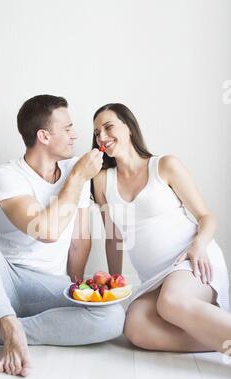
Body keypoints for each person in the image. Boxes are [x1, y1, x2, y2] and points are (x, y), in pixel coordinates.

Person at [0, 95, 126, 377]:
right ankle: (5, 320)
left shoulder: (74, 169)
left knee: (113, 316)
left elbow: (79, 241)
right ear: (43, 135)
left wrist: (76, 289)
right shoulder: (7, 176)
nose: (74, 135)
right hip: (0, 283)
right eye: (67, 128)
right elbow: (46, 230)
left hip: (47, 286)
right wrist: (77, 177)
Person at [92, 102, 230, 353]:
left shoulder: (164, 166)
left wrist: (197, 247)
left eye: (108, 126)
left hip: (190, 260)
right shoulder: (102, 180)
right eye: (97, 132)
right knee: (135, 326)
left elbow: (206, 216)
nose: (102, 136)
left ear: (129, 127)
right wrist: (114, 284)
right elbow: (113, 237)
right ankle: (219, 339)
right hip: (156, 280)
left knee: (171, 302)